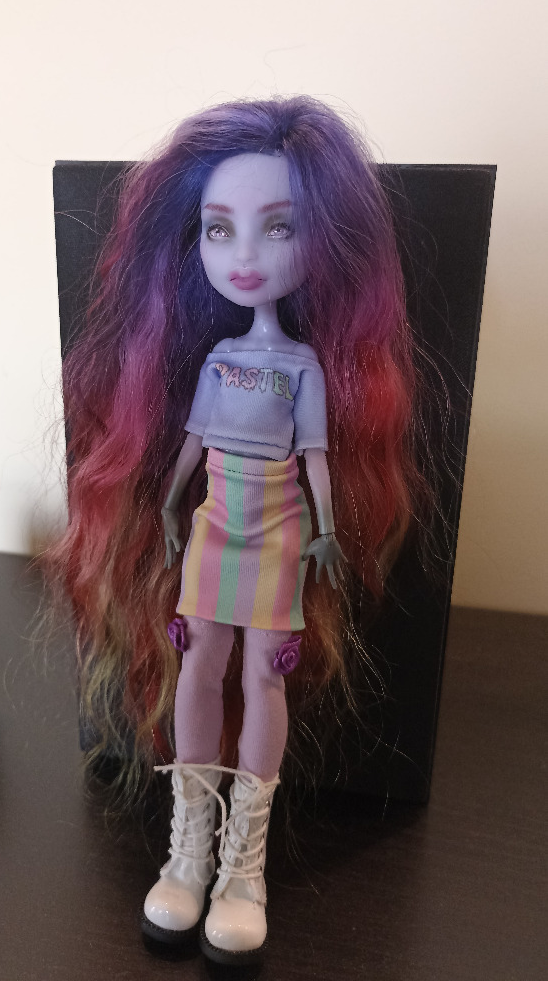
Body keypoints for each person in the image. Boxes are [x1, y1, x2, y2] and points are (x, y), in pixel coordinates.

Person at [50, 97, 420, 965]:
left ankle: (241, 870)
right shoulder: (219, 360)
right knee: (200, 660)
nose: (245, 256)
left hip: (282, 530)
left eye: (277, 226)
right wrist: (170, 509)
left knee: (262, 674)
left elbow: (316, 458)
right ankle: (187, 853)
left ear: (322, 240)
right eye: (220, 230)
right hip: (214, 524)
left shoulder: (302, 367)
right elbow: (190, 444)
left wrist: (324, 530)